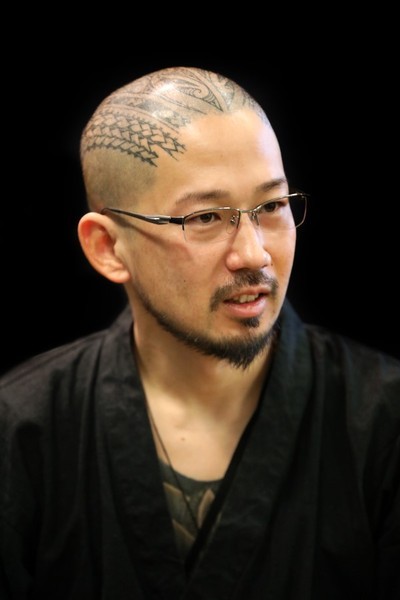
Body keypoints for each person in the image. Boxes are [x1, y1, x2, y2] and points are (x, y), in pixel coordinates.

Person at [0, 66, 398, 600]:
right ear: (107, 247)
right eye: (206, 217)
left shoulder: (384, 419)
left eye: (272, 207)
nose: (254, 253)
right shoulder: (20, 429)